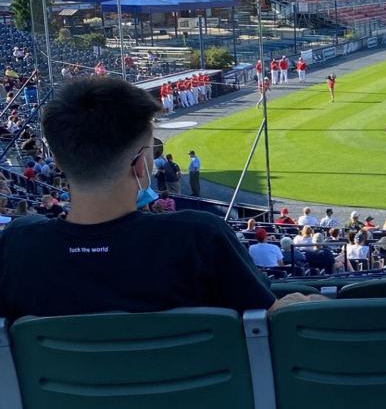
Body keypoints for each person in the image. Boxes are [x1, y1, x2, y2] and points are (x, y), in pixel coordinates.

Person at [0, 77, 275, 321]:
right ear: (141, 165)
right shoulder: (200, 237)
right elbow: (268, 317)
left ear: (57, 161)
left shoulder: (17, 245)